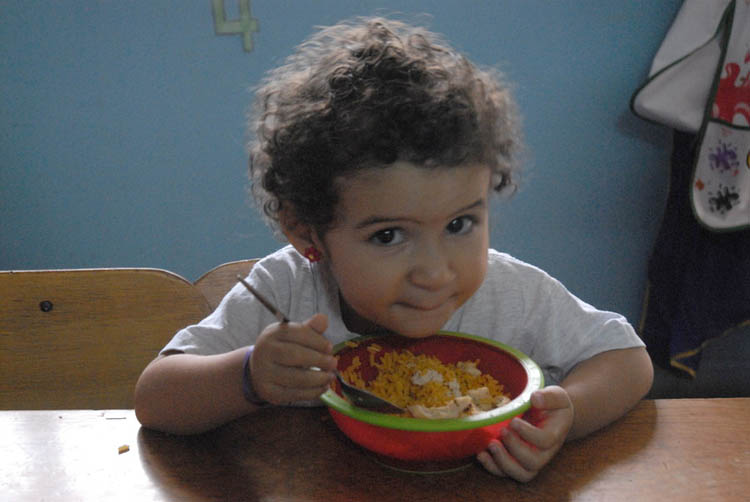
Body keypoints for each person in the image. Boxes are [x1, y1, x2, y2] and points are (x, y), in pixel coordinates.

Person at [135, 16, 653, 482]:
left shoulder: (511, 292)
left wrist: (566, 418)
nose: (435, 271)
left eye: (460, 223)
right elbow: (155, 397)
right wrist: (246, 376)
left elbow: (627, 360)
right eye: (388, 236)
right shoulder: (286, 294)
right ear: (307, 235)